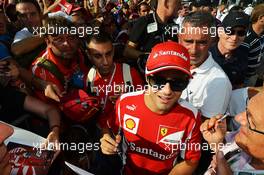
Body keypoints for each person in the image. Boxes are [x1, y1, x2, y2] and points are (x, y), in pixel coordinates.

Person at [100, 41, 201, 175]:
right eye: (159, 81)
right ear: (147, 78)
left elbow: (191, 160)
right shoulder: (124, 102)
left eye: (178, 83)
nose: (167, 91)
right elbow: (109, 128)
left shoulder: (191, 116)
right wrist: (106, 141)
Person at [84, 31, 143, 129]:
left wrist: (127, 101)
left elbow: (144, 108)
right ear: (88, 55)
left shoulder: (130, 73)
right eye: (98, 56)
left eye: (108, 54)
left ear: (114, 50)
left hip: (126, 132)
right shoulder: (87, 78)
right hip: (99, 134)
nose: (105, 62)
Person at [179, 12, 232, 119]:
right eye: (188, 41)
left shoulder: (220, 82)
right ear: (179, 38)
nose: (194, 50)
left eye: (202, 42)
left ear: (212, 41)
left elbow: (206, 128)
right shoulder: (170, 62)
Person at [201, 90, 264, 174]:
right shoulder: (243, 141)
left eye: (251, 121)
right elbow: (225, 150)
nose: (237, 117)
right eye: (246, 110)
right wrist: (217, 143)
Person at [31, 16, 89, 103]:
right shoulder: (41, 70)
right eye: (59, 40)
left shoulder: (80, 53)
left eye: (71, 38)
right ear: (48, 42)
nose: (67, 44)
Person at [210, 11, 249, 88]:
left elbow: (238, 85)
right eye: (230, 31)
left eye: (241, 33)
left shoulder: (243, 55)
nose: (234, 38)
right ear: (220, 31)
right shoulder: (205, 54)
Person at [11, 0, 46, 68]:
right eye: (23, 16)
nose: (29, 19)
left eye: (33, 14)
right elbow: (16, 49)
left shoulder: (53, 18)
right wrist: (48, 34)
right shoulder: (22, 34)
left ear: (40, 14)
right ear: (19, 18)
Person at [242, 4, 264, 87]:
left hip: (253, 77)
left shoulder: (261, 36)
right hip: (242, 80)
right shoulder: (246, 38)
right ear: (261, 18)